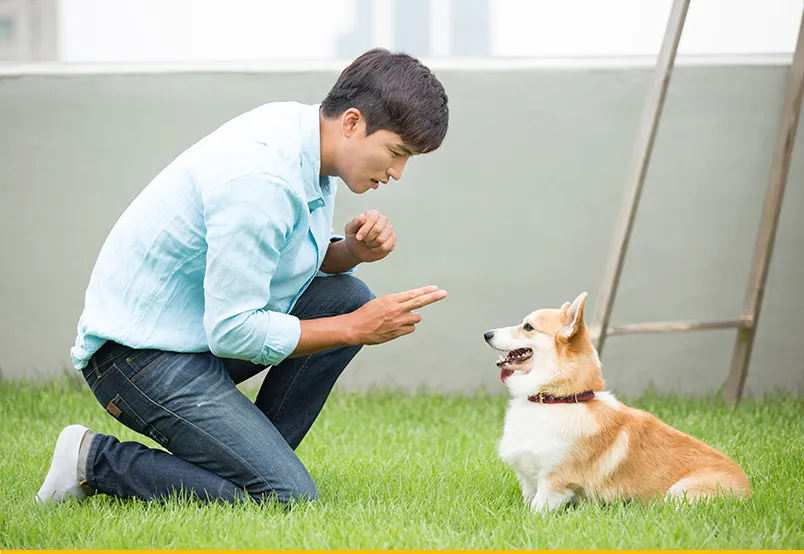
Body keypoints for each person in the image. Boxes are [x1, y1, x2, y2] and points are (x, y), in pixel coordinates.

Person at [35, 48, 450, 506]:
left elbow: (273, 263)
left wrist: (350, 252)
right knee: (287, 497)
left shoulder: (305, 140)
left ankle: (255, 463)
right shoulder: (263, 179)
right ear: (352, 122)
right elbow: (233, 330)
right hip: (137, 359)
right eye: (397, 152)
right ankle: (93, 460)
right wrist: (355, 329)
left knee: (347, 295)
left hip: (188, 336)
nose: (397, 172)